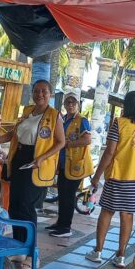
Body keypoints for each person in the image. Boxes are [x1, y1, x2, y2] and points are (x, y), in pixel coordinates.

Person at [0, 80, 65, 269]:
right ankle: (19, 247)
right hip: (19, 160)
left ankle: (33, 253)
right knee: (15, 205)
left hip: (36, 163)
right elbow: (12, 135)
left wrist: (42, 158)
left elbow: (61, 142)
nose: (40, 94)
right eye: (36, 91)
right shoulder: (27, 111)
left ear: (50, 94)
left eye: (44, 91)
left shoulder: (54, 115)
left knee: (27, 206)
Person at [86, 91, 135, 268]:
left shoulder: (119, 124)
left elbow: (110, 152)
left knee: (107, 212)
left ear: (128, 105)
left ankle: (98, 251)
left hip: (118, 176)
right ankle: (120, 256)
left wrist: (96, 177)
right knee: (127, 215)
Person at [46, 92, 92, 238]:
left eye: (73, 102)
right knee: (62, 194)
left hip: (75, 165)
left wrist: (68, 144)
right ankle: (60, 223)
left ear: (78, 104)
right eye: (68, 102)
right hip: (63, 164)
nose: (70, 105)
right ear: (64, 104)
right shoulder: (64, 119)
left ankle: (66, 227)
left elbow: (87, 140)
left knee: (68, 196)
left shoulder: (82, 120)